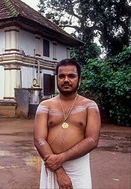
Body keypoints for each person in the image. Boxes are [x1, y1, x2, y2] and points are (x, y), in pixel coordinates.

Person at [33, 58, 101, 189]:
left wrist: (61, 158)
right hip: (51, 165)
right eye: (62, 76)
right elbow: (39, 139)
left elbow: (92, 140)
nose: (66, 80)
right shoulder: (45, 106)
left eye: (71, 76)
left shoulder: (89, 106)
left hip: (78, 167)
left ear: (79, 80)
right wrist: (58, 170)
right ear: (57, 79)